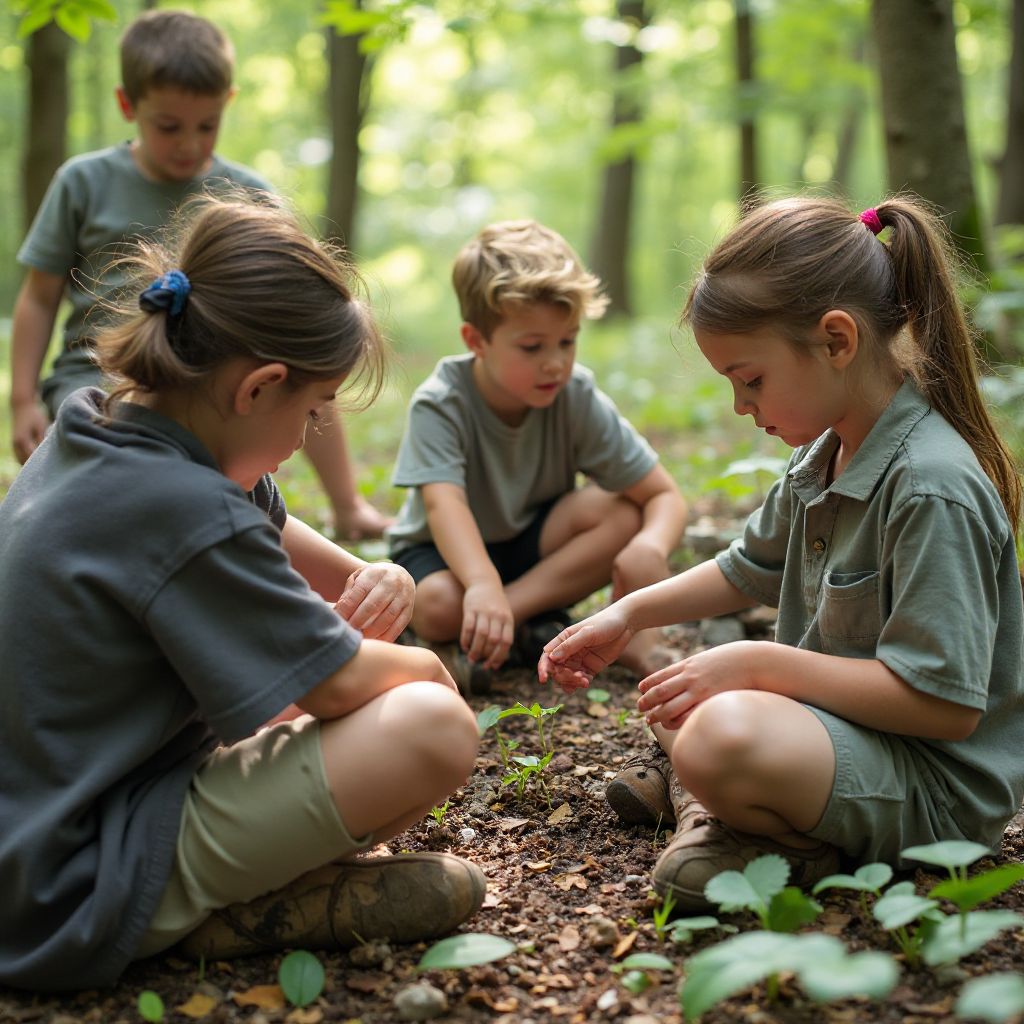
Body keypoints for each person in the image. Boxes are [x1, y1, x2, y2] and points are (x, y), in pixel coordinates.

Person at [0, 194, 485, 992]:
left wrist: (373, 576)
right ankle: (209, 913)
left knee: (368, 689)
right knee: (430, 723)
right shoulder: (180, 507)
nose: (308, 434)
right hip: (75, 875)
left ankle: (222, 891)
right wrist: (427, 670)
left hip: (43, 829)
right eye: (315, 408)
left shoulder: (101, 426)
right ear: (257, 388)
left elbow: (261, 526)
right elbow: (333, 683)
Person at [540, 196, 1024, 912]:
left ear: (836, 340)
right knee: (679, 695)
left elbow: (942, 707)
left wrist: (759, 664)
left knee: (715, 728)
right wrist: (626, 615)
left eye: (751, 379)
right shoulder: (825, 455)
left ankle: (737, 820)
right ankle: (730, 808)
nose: (741, 405)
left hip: (932, 788)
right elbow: (745, 568)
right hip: (840, 738)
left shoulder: (931, 488)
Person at [9, 8, 390, 541]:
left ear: (227, 104)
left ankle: (346, 506)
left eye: (206, 126)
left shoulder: (244, 194)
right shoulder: (84, 181)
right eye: (169, 127)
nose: (189, 143)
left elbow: (293, 310)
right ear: (127, 105)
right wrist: (23, 398)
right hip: (102, 373)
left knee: (308, 368)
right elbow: (39, 297)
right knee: (130, 483)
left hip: (214, 372)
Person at [387, 219, 687, 693]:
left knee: (624, 515)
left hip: (532, 548)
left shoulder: (575, 394)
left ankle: (504, 623)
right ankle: (509, 630)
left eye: (568, 340)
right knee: (441, 606)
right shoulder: (441, 402)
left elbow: (662, 495)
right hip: (446, 554)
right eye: (532, 347)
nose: (556, 362)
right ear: (476, 341)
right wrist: (481, 584)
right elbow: (444, 505)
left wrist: (650, 546)